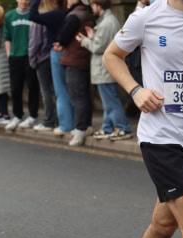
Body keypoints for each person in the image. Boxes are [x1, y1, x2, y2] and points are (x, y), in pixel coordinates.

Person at [103, 0, 183, 238]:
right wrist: (136, 90)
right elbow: (111, 56)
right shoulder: (145, 18)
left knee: (163, 226)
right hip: (162, 138)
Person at [76, 0, 132, 140]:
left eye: (93, 5)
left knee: (111, 102)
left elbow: (97, 48)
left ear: (99, 6)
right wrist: (92, 37)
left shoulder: (107, 23)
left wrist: (84, 41)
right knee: (108, 102)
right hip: (104, 70)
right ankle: (107, 128)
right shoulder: (108, 21)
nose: (92, 8)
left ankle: (123, 127)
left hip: (104, 69)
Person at [29, 0, 75, 136]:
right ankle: (72, 122)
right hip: (70, 52)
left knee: (60, 90)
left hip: (56, 52)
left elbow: (33, 16)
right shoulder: (71, 15)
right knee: (70, 89)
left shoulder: (54, 15)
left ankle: (65, 124)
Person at [56, 0, 94, 146]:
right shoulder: (86, 14)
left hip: (74, 59)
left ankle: (80, 129)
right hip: (82, 58)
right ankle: (86, 125)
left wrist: (61, 42)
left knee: (77, 96)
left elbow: (63, 37)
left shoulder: (74, 16)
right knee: (83, 94)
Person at [3, 0, 40, 130]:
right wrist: (9, 53)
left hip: (30, 56)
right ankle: (17, 115)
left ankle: (33, 115)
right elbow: (7, 36)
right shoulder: (9, 16)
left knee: (32, 86)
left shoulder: (34, 15)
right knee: (15, 88)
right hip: (15, 56)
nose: (24, 1)